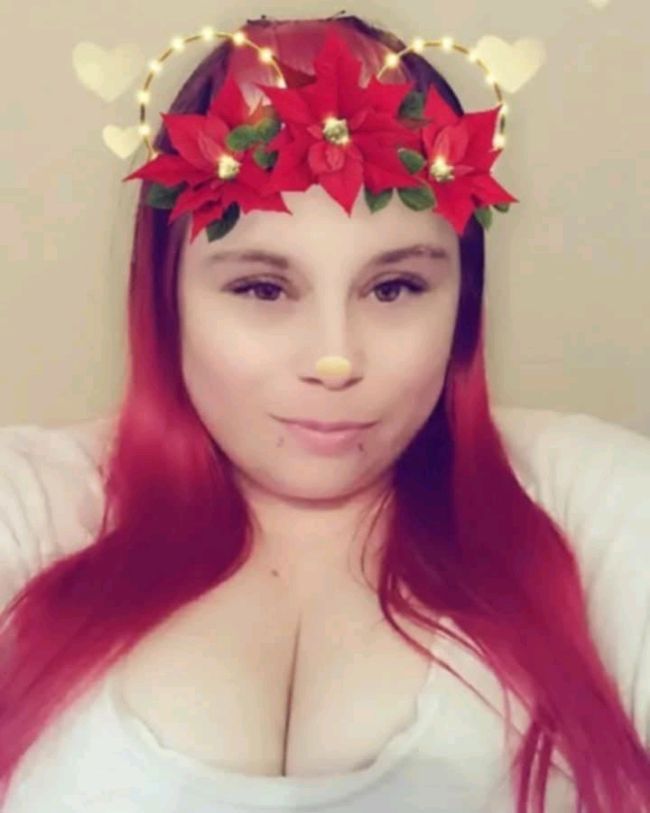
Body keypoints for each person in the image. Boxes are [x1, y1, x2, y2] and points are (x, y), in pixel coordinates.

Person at [1, 12, 649, 813]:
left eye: (395, 287)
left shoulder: (593, 502)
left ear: (463, 299)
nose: (334, 359)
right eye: (263, 288)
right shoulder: (31, 505)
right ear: (167, 297)